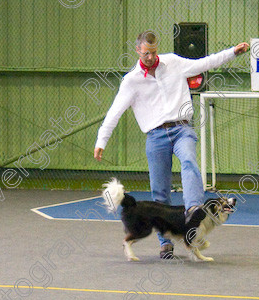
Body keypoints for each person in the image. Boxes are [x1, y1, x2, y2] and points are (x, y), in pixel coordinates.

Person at [94, 30, 249, 259]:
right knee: (160, 192)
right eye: (146, 53)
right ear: (138, 51)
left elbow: (204, 63)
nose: (150, 57)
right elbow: (114, 112)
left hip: (182, 129)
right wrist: (101, 140)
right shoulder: (131, 81)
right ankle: (165, 242)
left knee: (189, 161)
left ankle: (194, 210)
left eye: (154, 51)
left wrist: (232, 53)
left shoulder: (174, 62)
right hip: (155, 136)